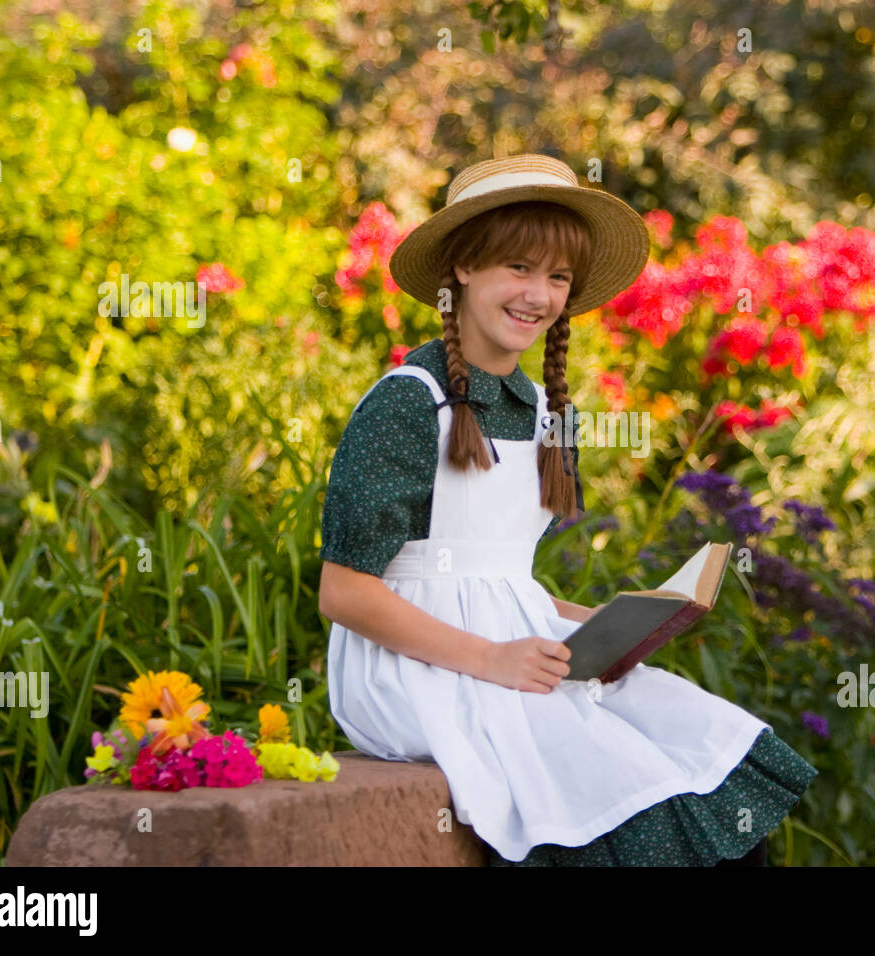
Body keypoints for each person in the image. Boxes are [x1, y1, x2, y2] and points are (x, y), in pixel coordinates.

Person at [320, 153, 817, 866]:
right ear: (461, 266)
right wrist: (493, 658)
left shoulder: (548, 412)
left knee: (705, 751)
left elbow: (497, 581)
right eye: (519, 268)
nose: (539, 295)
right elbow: (345, 592)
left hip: (510, 654)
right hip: (415, 670)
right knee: (614, 789)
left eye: (557, 278)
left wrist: (610, 630)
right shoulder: (409, 400)